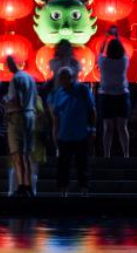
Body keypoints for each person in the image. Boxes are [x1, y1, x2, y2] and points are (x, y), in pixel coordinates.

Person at [50, 67, 96, 197]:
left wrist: (93, 129)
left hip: (81, 134)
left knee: (83, 165)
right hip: (64, 136)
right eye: (60, 79)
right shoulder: (59, 93)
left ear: (70, 78)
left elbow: (92, 110)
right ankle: (63, 192)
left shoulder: (82, 89)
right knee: (63, 167)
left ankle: (84, 192)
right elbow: (56, 115)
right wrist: (55, 133)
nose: (61, 82)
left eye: (63, 79)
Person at [4, 55, 37, 197]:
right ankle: (29, 186)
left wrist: (6, 106)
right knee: (26, 154)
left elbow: (18, 102)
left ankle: (21, 186)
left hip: (18, 117)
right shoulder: (30, 78)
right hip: (30, 115)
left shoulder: (15, 79)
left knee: (17, 154)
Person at [97, 33, 130, 159]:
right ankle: (126, 154)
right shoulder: (124, 61)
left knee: (108, 128)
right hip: (122, 95)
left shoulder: (104, 62)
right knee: (122, 127)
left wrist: (106, 38)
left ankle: (107, 154)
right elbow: (125, 52)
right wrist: (117, 37)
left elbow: (100, 52)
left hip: (106, 95)